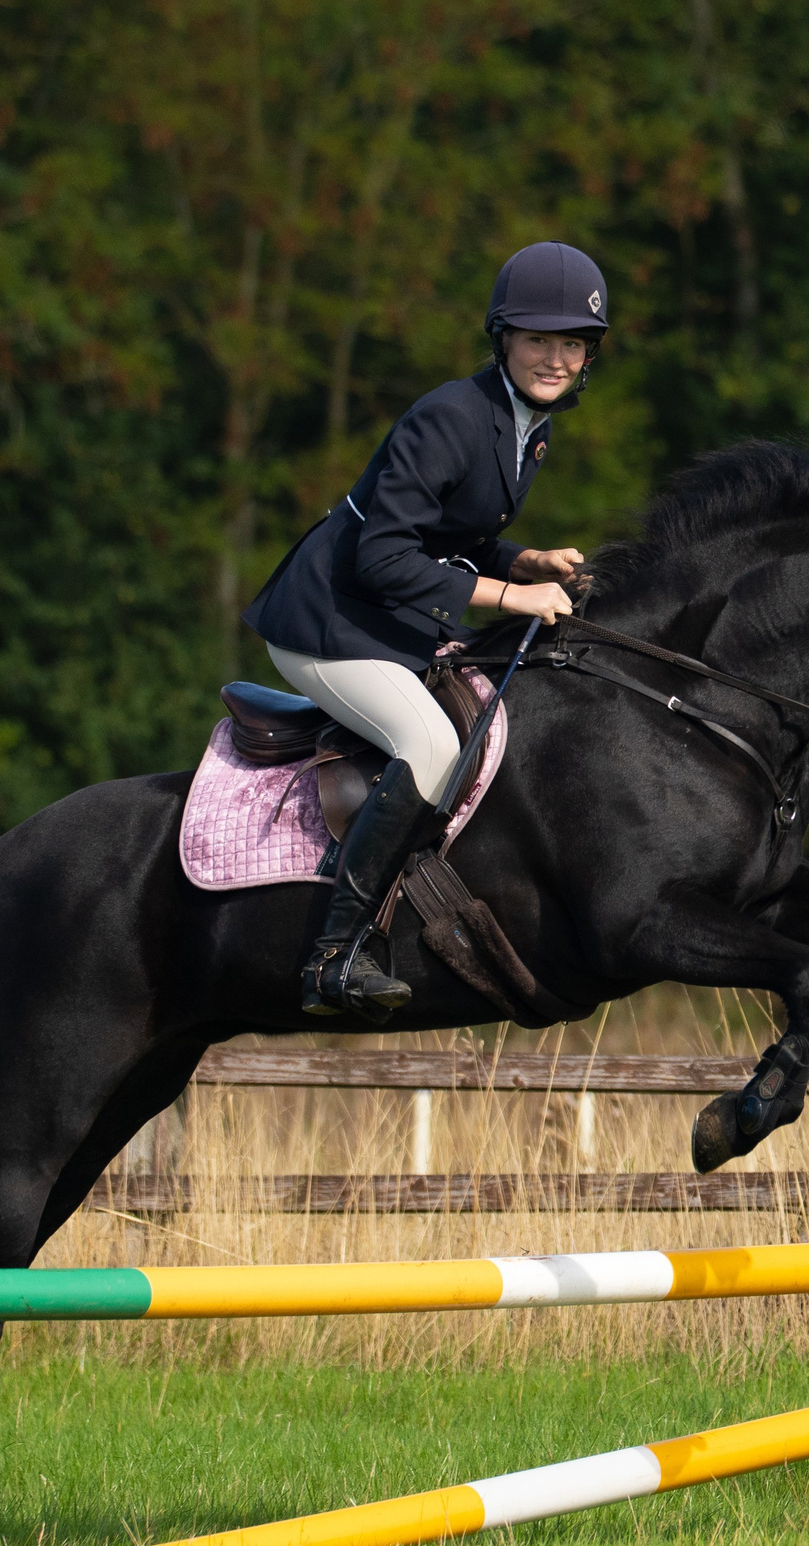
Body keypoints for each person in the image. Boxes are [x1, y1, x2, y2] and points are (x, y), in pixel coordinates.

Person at [243, 241, 607, 1019]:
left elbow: (450, 533)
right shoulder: (450, 415)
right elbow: (381, 557)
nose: (555, 357)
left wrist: (524, 555)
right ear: (502, 339)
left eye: (571, 342)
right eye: (538, 339)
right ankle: (332, 959)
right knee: (433, 745)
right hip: (325, 620)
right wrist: (513, 593)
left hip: (384, 615)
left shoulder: (526, 424)